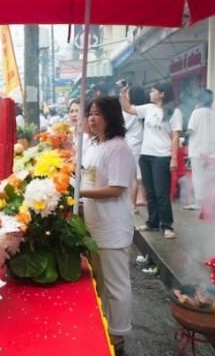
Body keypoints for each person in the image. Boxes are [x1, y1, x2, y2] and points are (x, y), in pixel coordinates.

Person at [80, 96, 136, 354]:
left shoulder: (118, 148)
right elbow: (91, 181)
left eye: (98, 114)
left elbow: (116, 188)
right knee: (101, 281)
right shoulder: (96, 145)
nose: (92, 119)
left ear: (111, 117)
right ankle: (105, 325)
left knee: (116, 284)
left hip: (113, 227)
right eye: (90, 113)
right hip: (96, 224)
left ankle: (119, 334)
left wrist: (80, 193)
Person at [120, 83, 182, 239]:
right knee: (150, 192)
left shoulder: (174, 112)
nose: (150, 93)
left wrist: (174, 158)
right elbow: (128, 109)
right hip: (146, 155)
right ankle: (152, 222)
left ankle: (167, 225)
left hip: (162, 156)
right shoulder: (148, 108)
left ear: (162, 94)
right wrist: (123, 95)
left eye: (153, 91)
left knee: (162, 193)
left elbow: (175, 136)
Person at [185, 89, 215, 210]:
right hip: (210, 151)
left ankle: (199, 203)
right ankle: (210, 202)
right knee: (208, 177)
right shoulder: (213, 113)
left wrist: (184, 135)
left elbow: (190, 130)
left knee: (197, 177)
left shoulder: (196, 112)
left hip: (197, 150)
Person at [123, 86, 149, 213]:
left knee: (134, 176)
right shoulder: (143, 109)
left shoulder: (130, 110)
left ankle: (132, 205)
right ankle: (142, 198)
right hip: (140, 143)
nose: (126, 96)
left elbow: (123, 127)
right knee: (139, 174)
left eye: (128, 93)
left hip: (131, 144)